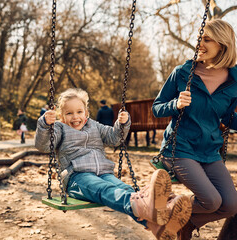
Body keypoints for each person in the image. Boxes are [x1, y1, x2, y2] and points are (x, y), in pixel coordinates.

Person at [35, 88, 192, 239]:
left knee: (125, 189)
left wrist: (122, 124)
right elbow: (43, 146)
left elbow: (115, 138)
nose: (75, 117)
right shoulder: (59, 129)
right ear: (61, 117)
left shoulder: (95, 126)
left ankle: (159, 225)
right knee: (107, 189)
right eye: (69, 113)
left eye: (79, 112)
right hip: (77, 177)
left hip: (104, 173)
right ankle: (158, 206)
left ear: (86, 113)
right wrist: (44, 125)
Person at [152, 19, 237, 240]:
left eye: (207, 39)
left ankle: (186, 222)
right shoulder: (183, 72)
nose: (200, 42)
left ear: (223, 44)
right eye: (200, 37)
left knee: (230, 205)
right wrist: (175, 105)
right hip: (179, 148)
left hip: (209, 151)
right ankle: (161, 208)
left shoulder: (234, 80)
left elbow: (227, 117)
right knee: (211, 201)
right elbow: (157, 108)